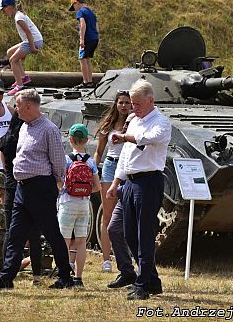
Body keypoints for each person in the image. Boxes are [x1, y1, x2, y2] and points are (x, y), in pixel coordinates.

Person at [0, 89, 73, 290]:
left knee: (52, 233)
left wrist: (55, 184)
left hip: (41, 188)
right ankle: (6, 277)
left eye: (18, 106)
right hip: (21, 188)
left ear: (28, 106)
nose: (15, 110)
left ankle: (65, 276)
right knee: (15, 234)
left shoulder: (48, 129)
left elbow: (59, 163)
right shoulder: (25, 127)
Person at [106, 80, 171, 300]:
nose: (134, 107)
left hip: (149, 181)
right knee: (129, 233)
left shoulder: (161, 122)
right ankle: (152, 280)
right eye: (132, 103)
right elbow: (125, 155)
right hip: (130, 182)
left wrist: (125, 136)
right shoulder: (134, 120)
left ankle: (143, 283)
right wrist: (116, 182)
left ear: (151, 100)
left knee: (145, 235)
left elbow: (149, 139)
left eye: (138, 103)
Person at [0, 112, 43, 285]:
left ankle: (6, 270)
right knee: (34, 234)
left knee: (10, 232)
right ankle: (37, 276)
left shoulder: (5, 140)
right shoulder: (26, 139)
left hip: (10, 186)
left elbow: (4, 165)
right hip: (27, 186)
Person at [93, 90, 133, 275]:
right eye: (121, 102)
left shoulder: (135, 123)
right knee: (108, 216)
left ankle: (126, 255)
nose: (124, 105)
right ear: (116, 104)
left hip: (128, 168)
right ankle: (106, 259)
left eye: (127, 102)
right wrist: (93, 168)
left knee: (127, 215)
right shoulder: (108, 125)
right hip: (110, 167)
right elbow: (99, 151)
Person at [58, 123, 101, 287]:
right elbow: (97, 186)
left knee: (65, 241)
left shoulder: (67, 159)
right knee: (81, 241)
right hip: (84, 203)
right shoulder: (90, 162)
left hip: (68, 202)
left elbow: (61, 183)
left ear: (70, 139)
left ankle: (64, 276)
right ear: (86, 140)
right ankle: (78, 278)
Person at [0, 0, 43, 96]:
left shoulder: (18, 18)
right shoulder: (19, 14)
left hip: (34, 41)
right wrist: (23, 52)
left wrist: (32, 47)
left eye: (3, 9)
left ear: (9, 7)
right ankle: (24, 77)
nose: (3, 12)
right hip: (31, 40)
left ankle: (20, 86)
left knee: (12, 60)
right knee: (10, 52)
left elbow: (28, 32)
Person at [69, 0, 99, 89]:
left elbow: (82, 25)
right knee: (87, 60)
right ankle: (90, 81)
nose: (75, 9)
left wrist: (82, 39)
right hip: (94, 38)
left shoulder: (80, 12)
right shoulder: (91, 12)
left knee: (82, 59)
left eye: (74, 6)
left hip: (87, 38)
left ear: (76, 3)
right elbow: (97, 27)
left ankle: (86, 82)